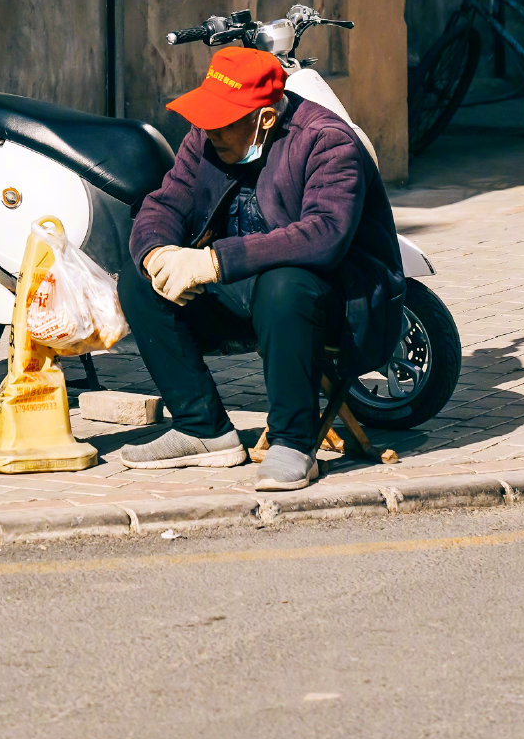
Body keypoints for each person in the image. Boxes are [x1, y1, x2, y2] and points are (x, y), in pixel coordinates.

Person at [117, 46, 405, 492]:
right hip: (250, 295)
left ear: (265, 119)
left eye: (223, 124)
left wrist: (212, 261)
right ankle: (203, 429)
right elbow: (164, 202)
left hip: (339, 307)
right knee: (140, 280)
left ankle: (294, 442)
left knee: (283, 284)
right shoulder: (207, 136)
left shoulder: (328, 140)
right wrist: (157, 254)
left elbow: (325, 234)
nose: (210, 132)